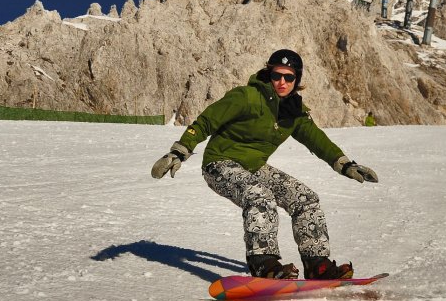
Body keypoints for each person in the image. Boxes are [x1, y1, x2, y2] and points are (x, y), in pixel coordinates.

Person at [151, 49, 378, 280]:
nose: (282, 82)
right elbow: (206, 121)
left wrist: (345, 164)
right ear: (268, 74)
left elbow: (318, 140)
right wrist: (180, 151)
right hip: (219, 164)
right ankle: (263, 264)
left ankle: (316, 264)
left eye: (289, 77)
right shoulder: (246, 97)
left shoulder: (294, 112)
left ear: (296, 79)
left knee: (306, 198)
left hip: (253, 167)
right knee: (259, 195)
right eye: (277, 75)